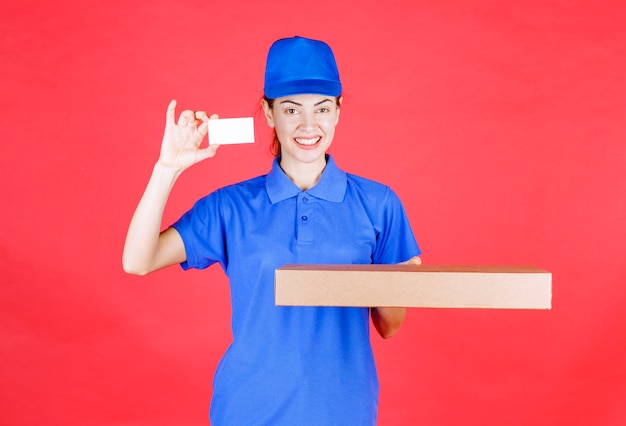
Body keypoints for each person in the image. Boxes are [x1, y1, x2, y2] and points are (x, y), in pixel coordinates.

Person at [123, 36, 421, 425]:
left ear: (339, 111)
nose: (308, 125)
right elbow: (138, 261)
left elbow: (389, 326)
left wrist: (405, 282)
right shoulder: (230, 206)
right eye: (291, 109)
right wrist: (167, 169)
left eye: (323, 108)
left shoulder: (379, 204)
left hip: (343, 411)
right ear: (268, 113)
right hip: (248, 410)